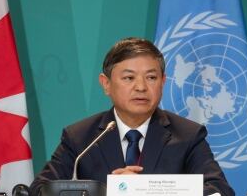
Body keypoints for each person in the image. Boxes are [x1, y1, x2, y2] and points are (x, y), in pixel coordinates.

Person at [30, 37, 233, 196]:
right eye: (129, 78)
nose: (141, 87)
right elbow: (40, 190)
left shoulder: (188, 136)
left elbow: (219, 191)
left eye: (151, 77)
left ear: (163, 82)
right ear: (106, 84)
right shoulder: (80, 137)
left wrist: (145, 191)